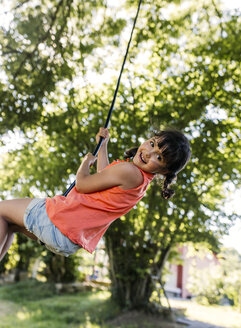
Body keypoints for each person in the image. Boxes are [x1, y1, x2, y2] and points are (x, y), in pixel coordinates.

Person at [0, 127, 191, 260]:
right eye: (152, 144)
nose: (149, 153)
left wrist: (84, 164)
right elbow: (104, 176)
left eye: (159, 157)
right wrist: (103, 144)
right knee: (9, 224)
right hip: (67, 239)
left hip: (58, 221)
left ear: (165, 171)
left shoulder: (130, 171)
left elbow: (82, 185)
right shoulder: (140, 181)